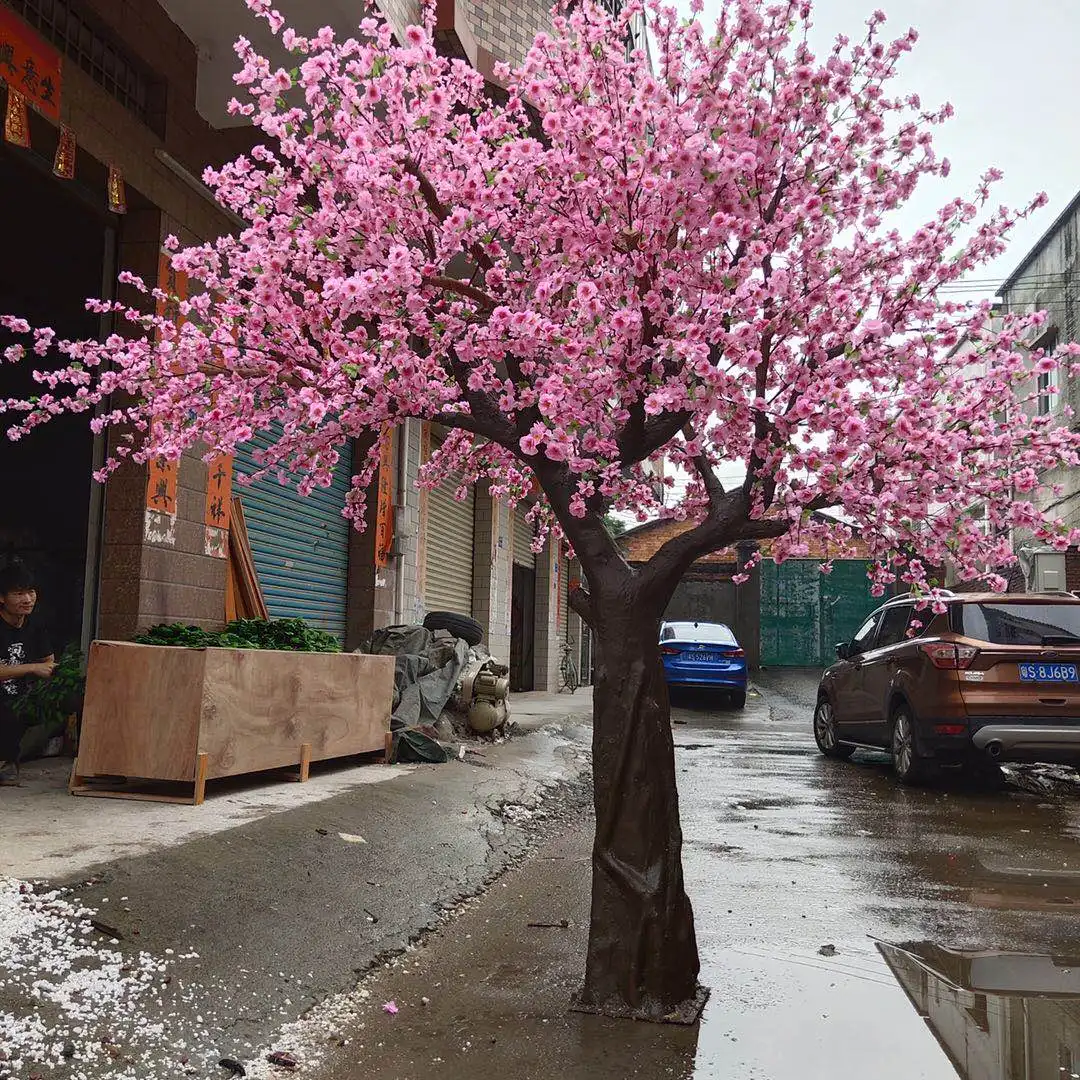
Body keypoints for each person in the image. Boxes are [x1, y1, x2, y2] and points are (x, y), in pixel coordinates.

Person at [0, 560, 55, 782]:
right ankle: (6, 763)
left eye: (31, 592)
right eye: (19, 593)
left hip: (25, 695)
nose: (27, 599)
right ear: (2, 598)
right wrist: (32, 668)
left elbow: (49, 662)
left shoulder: (35, 625)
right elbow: (39, 666)